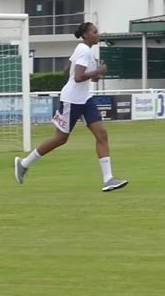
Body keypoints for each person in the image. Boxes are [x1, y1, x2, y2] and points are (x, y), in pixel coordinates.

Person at [14, 22, 128, 192]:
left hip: (85, 99)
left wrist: (93, 73)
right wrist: (97, 71)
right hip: (72, 100)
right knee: (60, 139)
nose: (98, 34)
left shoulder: (83, 49)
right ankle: (24, 163)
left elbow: (68, 69)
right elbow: (78, 77)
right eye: (95, 32)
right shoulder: (84, 50)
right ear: (86, 35)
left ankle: (108, 179)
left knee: (101, 134)